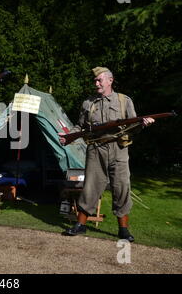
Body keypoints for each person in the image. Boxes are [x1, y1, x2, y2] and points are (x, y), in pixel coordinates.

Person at [59, 67, 154, 242]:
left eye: (99, 80)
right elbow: (80, 127)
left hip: (119, 149)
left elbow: (134, 126)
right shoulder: (88, 103)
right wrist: (68, 137)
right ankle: (80, 225)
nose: (96, 83)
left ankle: (123, 230)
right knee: (90, 187)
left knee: (122, 188)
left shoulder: (124, 101)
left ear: (110, 80)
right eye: (95, 81)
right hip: (96, 149)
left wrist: (143, 124)